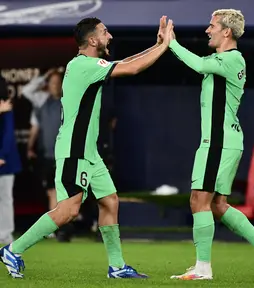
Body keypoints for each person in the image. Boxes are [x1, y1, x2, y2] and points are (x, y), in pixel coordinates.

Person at [0, 16, 174, 279]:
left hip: (89, 152)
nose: (110, 36)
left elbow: (124, 63)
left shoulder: (90, 64)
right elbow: (132, 69)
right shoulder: (83, 66)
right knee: (68, 211)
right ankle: (14, 249)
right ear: (92, 40)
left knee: (109, 201)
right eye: (105, 32)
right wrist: (165, 47)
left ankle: (116, 267)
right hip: (74, 150)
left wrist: (156, 44)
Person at [167, 9, 254, 281]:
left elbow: (198, 65)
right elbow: (203, 64)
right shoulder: (224, 58)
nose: (207, 30)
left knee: (199, 200)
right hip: (222, 141)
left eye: (212, 25)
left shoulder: (232, 59)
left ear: (226, 31)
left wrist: (170, 43)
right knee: (217, 205)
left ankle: (203, 268)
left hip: (218, 143)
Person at [23, 69, 64, 240]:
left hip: (65, 155)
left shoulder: (68, 101)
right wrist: (30, 147)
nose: (54, 86)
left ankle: (61, 226)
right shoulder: (41, 102)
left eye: (57, 82)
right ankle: (55, 227)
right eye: (51, 83)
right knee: (52, 193)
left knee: (63, 193)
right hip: (47, 156)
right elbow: (26, 91)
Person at [0, 77, 22, 245]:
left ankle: (5, 234)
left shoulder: (6, 105)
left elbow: (8, 134)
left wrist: (2, 155)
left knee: (6, 198)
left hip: (5, 162)